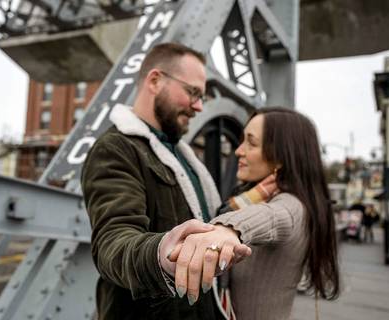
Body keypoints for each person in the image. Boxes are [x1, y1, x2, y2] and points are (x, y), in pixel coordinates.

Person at [81, 42, 266, 320]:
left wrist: (252, 197)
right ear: (155, 80)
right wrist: (160, 253)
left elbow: (205, 219)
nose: (199, 106)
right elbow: (113, 243)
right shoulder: (115, 149)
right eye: (192, 92)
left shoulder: (181, 154)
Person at [169, 107, 340, 319]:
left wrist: (227, 229)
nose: (238, 150)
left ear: (280, 157)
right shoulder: (254, 197)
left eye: (251, 143)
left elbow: (275, 217)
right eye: (242, 140)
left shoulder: (292, 205)